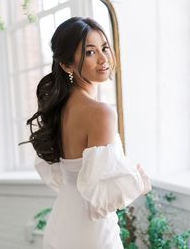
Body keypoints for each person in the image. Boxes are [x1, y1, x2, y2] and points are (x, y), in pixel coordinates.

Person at [26, 17, 151, 249]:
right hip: (90, 229)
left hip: (62, 220)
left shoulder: (59, 108)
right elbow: (99, 195)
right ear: (66, 65)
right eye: (90, 52)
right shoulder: (100, 113)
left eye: (104, 47)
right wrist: (139, 184)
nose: (104, 59)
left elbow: (70, 176)